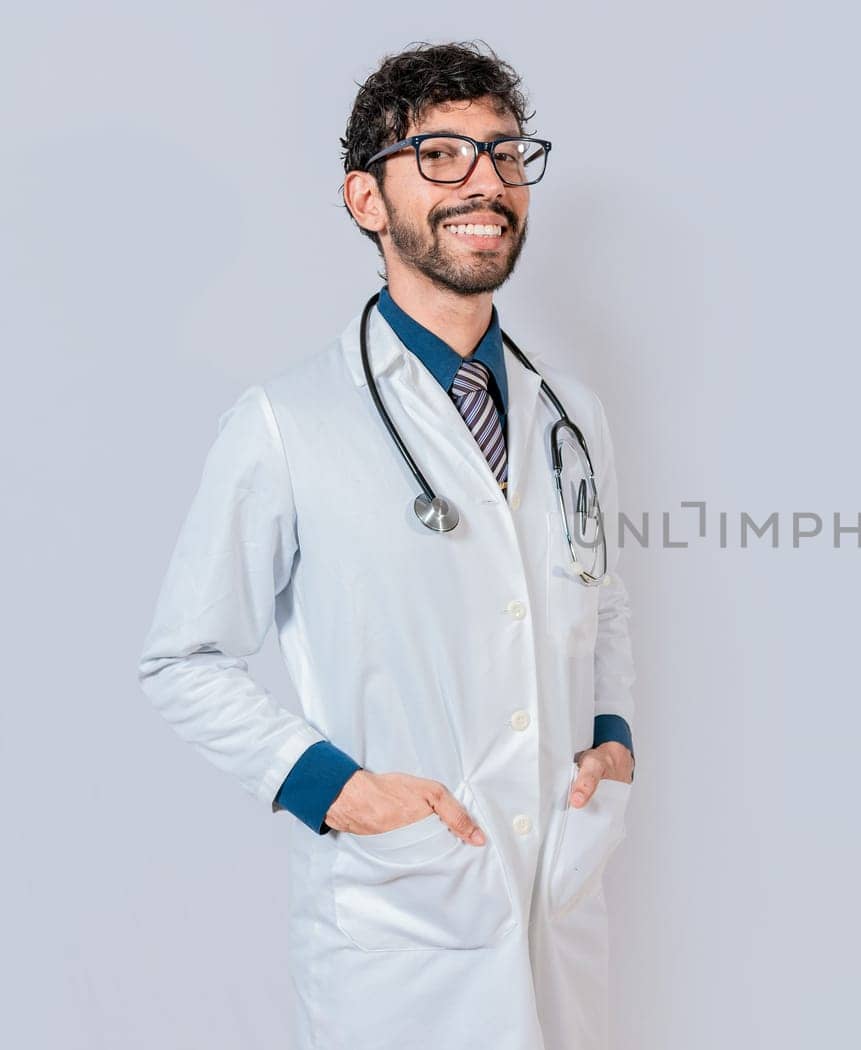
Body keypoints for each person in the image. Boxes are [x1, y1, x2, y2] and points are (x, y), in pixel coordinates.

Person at [136, 40, 638, 1050]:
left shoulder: (570, 417)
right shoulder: (285, 421)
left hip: (559, 900)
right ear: (368, 201)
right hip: (404, 919)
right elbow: (182, 660)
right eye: (441, 157)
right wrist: (337, 790)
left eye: (503, 155)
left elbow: (603, 597)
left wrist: (614, 737)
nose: (483, 184)